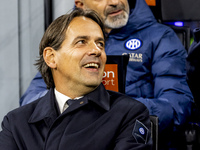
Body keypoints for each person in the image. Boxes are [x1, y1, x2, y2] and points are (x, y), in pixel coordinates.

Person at [20, 0, 193, 148]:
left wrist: (116, 113)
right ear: (80, 3)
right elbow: (31, 99)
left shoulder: (160, 37)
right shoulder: (64, 39)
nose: (115, 2)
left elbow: (176, 107)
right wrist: (76, 107)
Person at [0, 8, 152, 150]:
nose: (96, 51)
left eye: (100, 44)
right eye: (81, 42)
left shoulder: (130, 114)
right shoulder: (16, 123)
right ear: (51, 58)